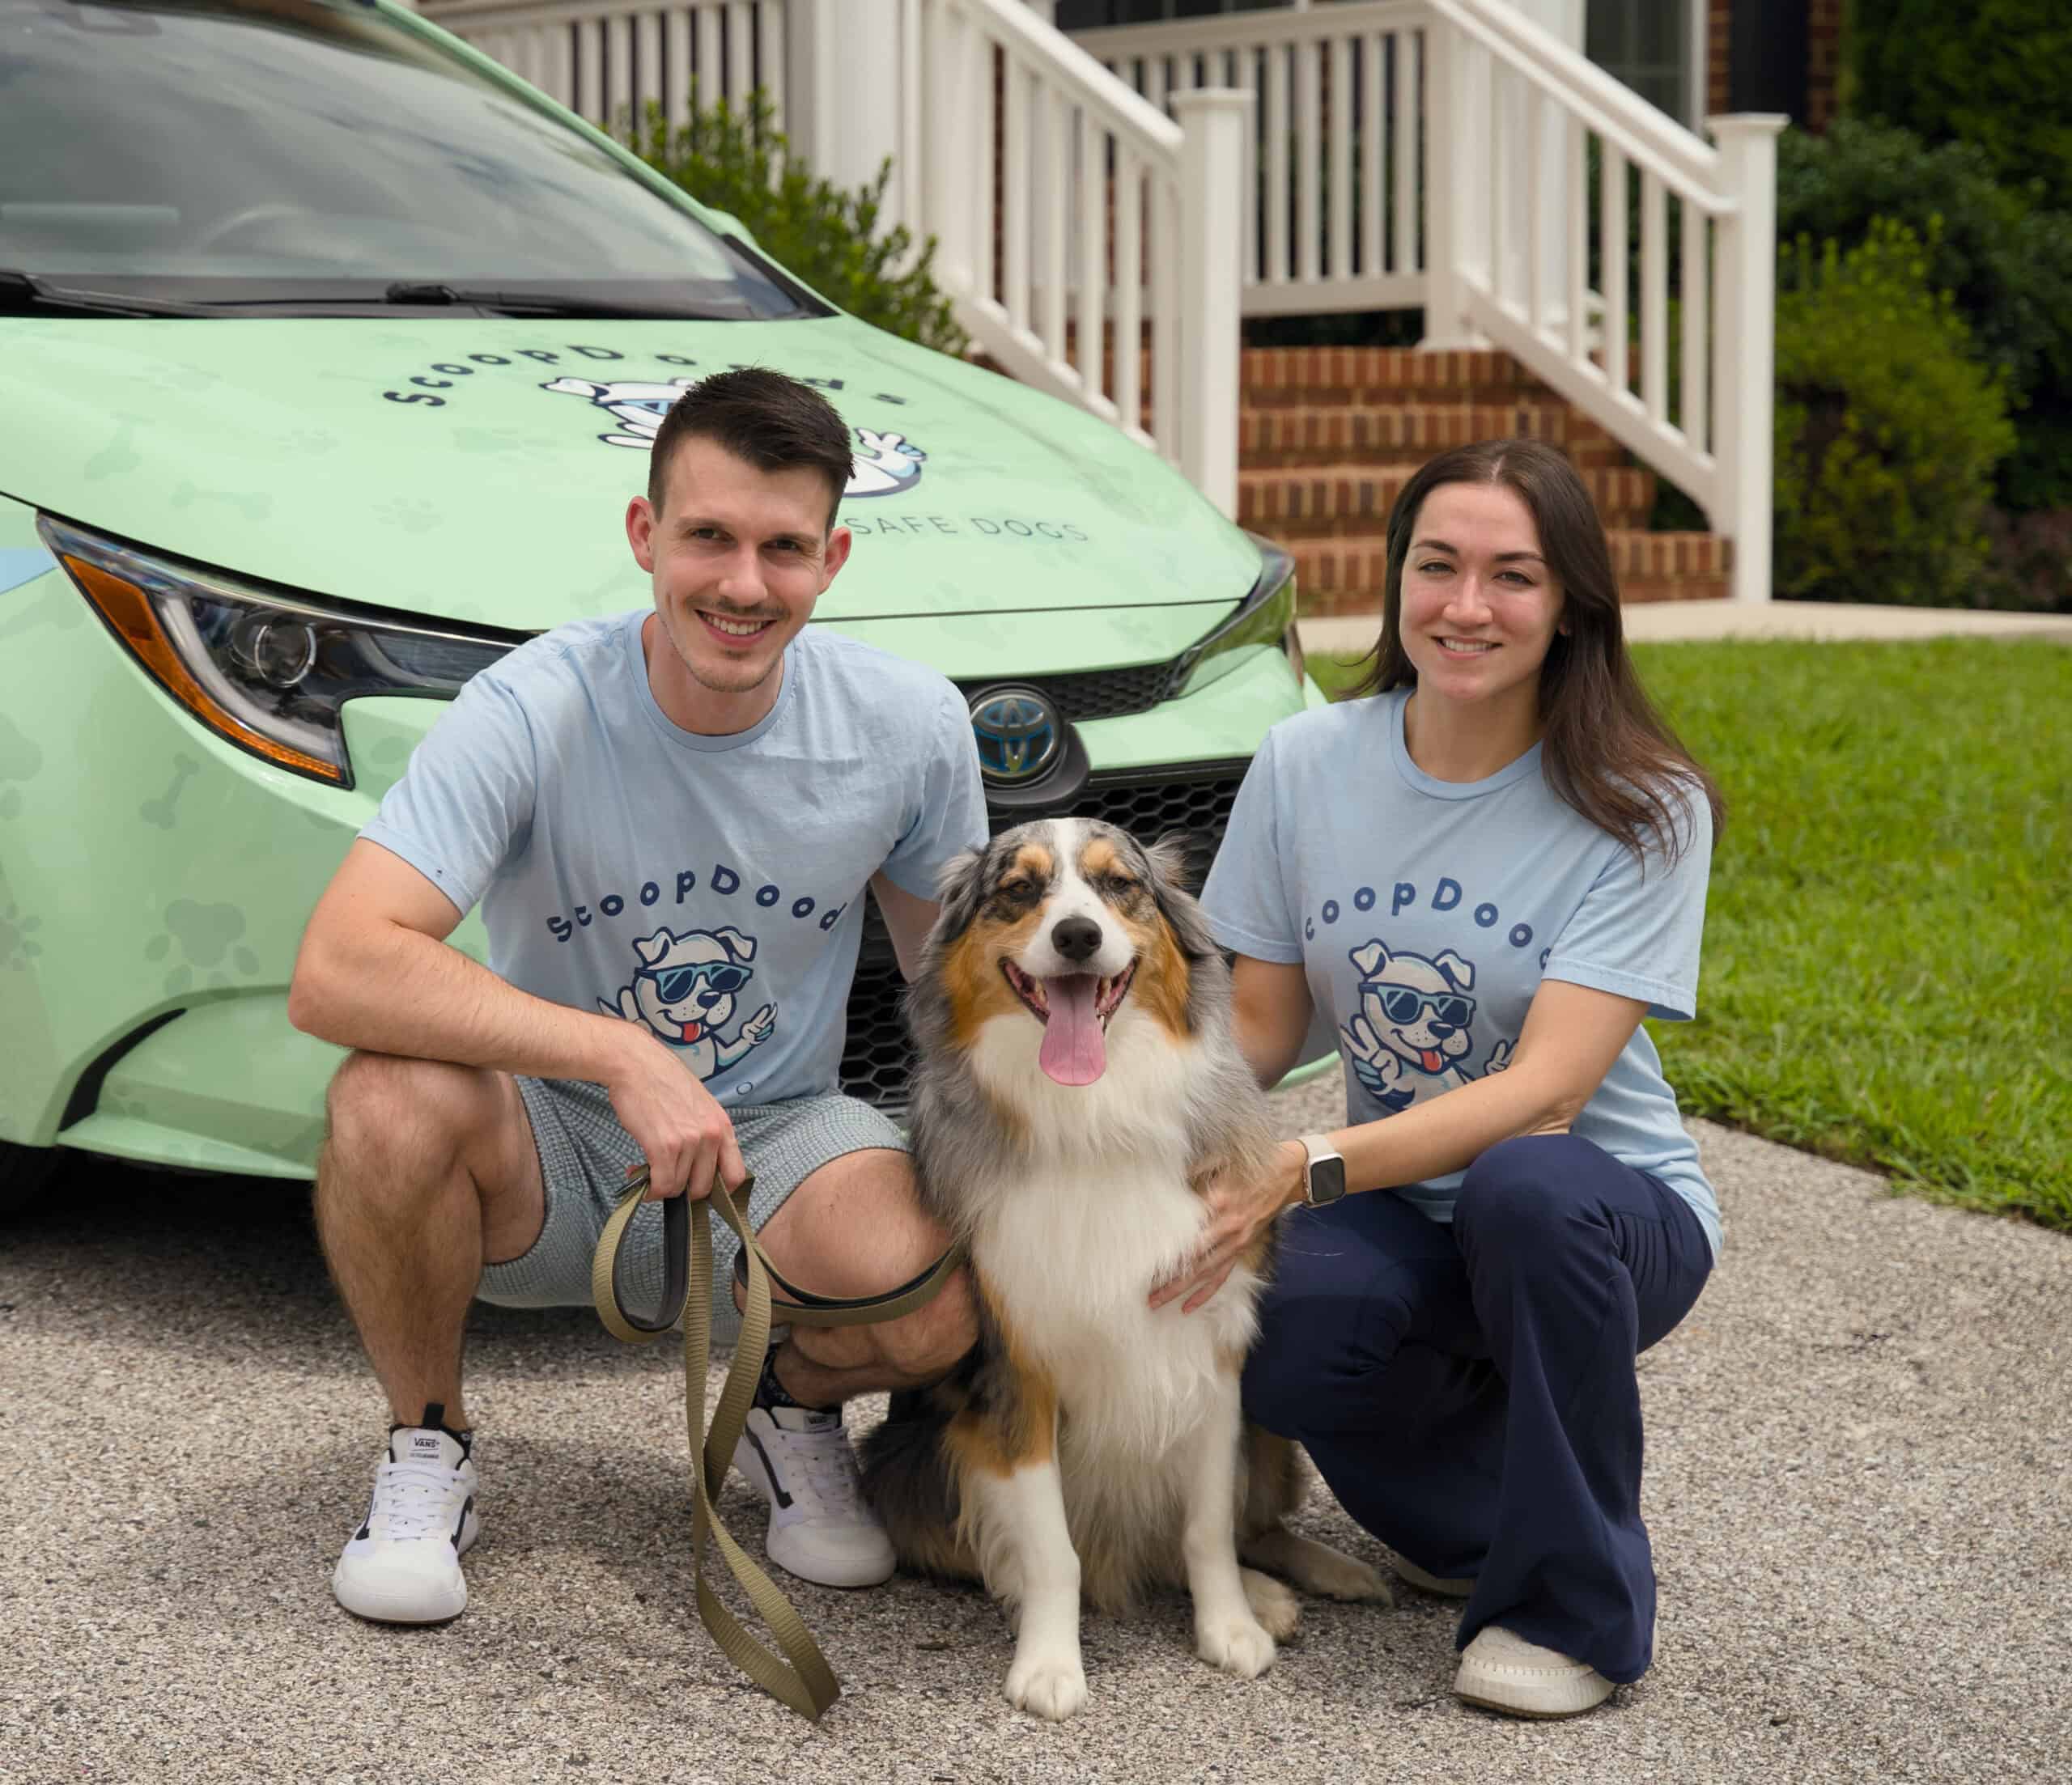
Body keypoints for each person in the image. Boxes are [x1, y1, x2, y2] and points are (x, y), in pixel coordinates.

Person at [289, 368, 984, 1626]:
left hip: (775, 1139)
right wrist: (617, 1050)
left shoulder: (912, 724)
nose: (742, 583)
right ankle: (427, 1444)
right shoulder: (532, 703)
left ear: (832, 558)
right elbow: (338, 961)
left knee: (948, 1289)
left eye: (783, 548)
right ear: (643, 534)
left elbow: (962, 1000)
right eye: (708, 535)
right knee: (385, 1095)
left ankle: (790, 1399)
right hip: (548, 1145)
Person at [1161, 438, 1723, 1719]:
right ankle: (1475, 1517)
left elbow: (1549, 1094)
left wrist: (1300, 1167)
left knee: (1521, 1189)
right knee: (1278, 1322)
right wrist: (1131, 1124)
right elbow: (1256, 1023)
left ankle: (1568, 1610)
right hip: (1412, 1212)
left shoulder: (1645, 802)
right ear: (1397, 580)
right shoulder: (1309, 762)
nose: (1467, 607)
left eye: (1512, 577)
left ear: (1572, 603)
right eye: (1439, 566)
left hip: (1600, 1213)